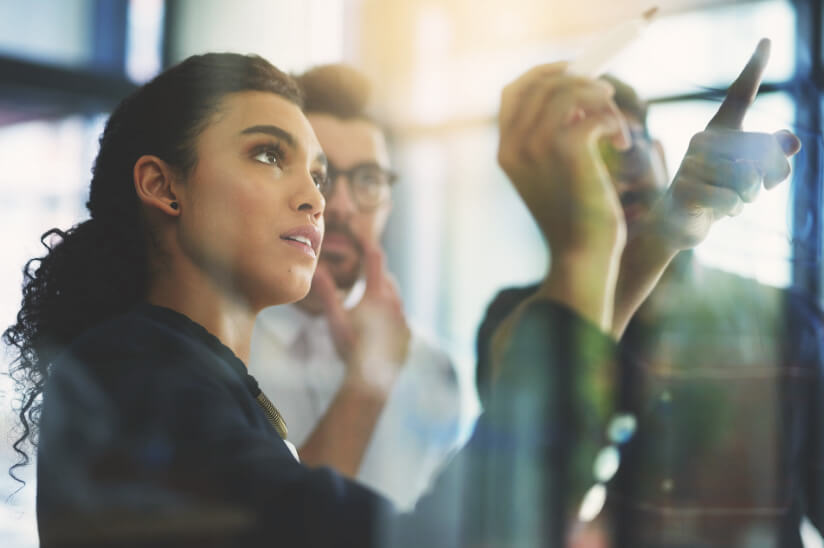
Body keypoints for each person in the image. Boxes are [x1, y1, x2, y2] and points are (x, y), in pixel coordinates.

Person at [3, 40, 796, 547]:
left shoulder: (179, 371)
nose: (319, 199)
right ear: (162, 185)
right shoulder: (135, 375)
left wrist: (659, 231)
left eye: (323, 173)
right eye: (269, 155)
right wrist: (585, 246)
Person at [476, 66, 822, 546]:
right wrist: (661, 232)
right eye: (588, 162)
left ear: (660, 154)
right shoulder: (523, 322)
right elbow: (515, 487)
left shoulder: (788, 324)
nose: (616, 180)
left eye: (626, 146)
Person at [249, 64, 475, 510]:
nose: (343, 206)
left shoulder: (433, 370)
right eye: (322, 175)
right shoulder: (222, 355)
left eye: (369, 180)